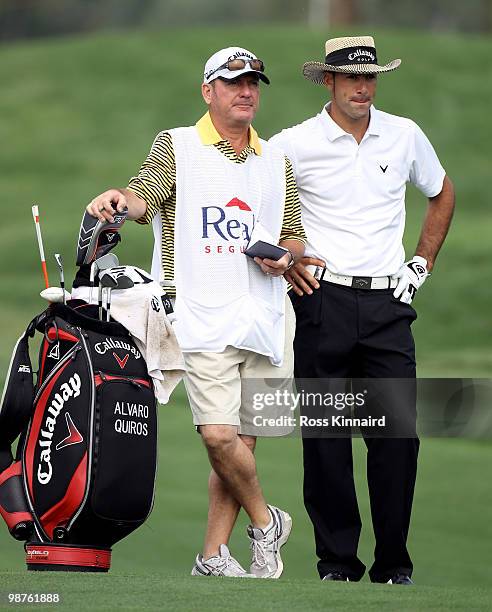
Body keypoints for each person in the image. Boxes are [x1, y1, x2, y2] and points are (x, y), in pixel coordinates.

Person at [85, 46, 306, 578]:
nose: (246, 91)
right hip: (202, 315)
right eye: (233, 83)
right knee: (218, 436)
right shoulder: (179, 147)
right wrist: (119, 201)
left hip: (267, 316)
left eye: (253, 82)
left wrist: (287, 258)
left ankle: (212, 556)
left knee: (242, 444)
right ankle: (266, 522)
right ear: (208, 91)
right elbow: (146, 197)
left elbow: (293, 235)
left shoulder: (276, 159)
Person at [270, 36, 455, 585]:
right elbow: (267, 206)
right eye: (351, 78)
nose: (362, 87)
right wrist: (291, 257)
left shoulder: (404, 135)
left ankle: (394, 563)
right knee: (327, 438)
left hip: (388, 303)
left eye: (370, 77)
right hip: (320, 300)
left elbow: (441, 193)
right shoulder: (293, 144)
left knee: (397, 436)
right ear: (327, 81)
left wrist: (419, 264)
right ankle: (337, 564)